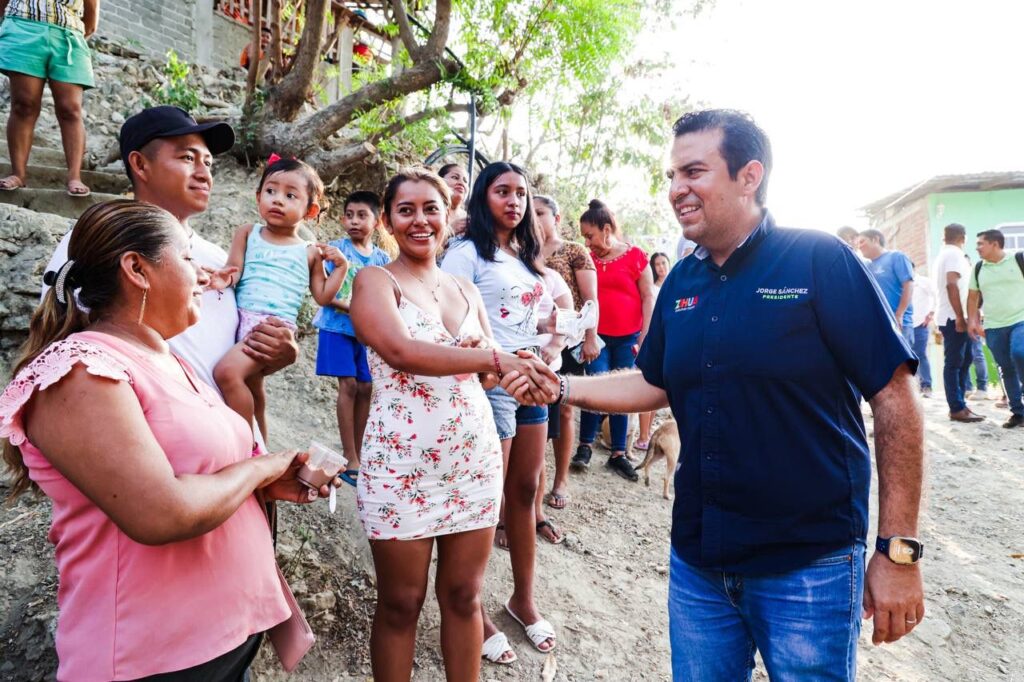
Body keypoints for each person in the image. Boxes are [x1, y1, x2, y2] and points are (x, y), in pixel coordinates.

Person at [506, 109, 925, 680]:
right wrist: (561, 387)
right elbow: (654, 382)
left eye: (694, 172)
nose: (677, 189)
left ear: (749, 176)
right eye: (673, 175)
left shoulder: (818, 259)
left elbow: (895, 396)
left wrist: (898, 550)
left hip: (810, 564)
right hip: (699, 563)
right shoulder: (683, 280)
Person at [0, 200, 339, 681]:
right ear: (137, 269)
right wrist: (264, 467)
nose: (204, 274)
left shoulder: (168, 361)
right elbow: (162, 512)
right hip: (154, 659)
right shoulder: (77, 372)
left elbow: (202, 469)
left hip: (228, 639)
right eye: (186, 258)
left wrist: (267, 486)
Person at [349, 167, 551, 678]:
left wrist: (525, 370)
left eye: (431, 208)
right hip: (402, 466)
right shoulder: (375, 280)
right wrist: (489, 359)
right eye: (406, 210)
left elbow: (485, 376)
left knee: (464, 597)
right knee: (401, 602)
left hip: (473, 461)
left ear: (449, 215)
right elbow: (399, 351)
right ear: (388, 222)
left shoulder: (466, 288)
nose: (420, 220)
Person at [41, 106, 300, 446]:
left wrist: (275, 352)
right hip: (164, 459)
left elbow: (231, 362)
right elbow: (69, 350)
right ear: (140, 164)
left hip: (237, 454)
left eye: (208, 162)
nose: (204, 173)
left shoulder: (219, 260)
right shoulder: (96, 241)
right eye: (187, 158)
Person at [440, 161, 557, 660]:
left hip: (531, 381)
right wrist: (489, 365)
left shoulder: (526, 257)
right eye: (501, 191)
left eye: (521, 193)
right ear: (482, 198)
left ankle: (523, 600)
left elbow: (528, 316)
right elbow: (446, 319)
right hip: (488, 385)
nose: (513, 201)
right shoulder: (467, 254)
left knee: (527, 493)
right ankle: (477, 610)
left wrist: (555, 336)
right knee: (486, 501)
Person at [210, 157, 346, 438]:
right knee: (253, 387)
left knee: (227, 374)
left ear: (310, 210)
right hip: (241, 320)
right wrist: (224, 278)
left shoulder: (309, 252)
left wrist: (341, 269)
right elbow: (234, 269)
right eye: (270, 192)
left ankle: (246, 444)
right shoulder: (247, 233)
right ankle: (262, 444)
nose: (278, 200)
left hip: (272, 328)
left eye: (290, 195)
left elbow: (322, 296)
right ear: (258, 196)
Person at [571, 199, 655, 481]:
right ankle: (584, 446)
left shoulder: (636, 256)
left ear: (606, 229)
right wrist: (585, 335)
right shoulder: (587, 259)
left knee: (624, 393)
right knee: (595, 385)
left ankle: (619, 453)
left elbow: (648, 296)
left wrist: (645, 336)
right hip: (597, 338)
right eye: (584, 237)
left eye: (590, 235)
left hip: (629, 337)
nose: (587, 241)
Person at [313, 190, 391, 486]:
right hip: (337, 328)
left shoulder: (383, 259)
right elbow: (327, 295)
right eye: (349, 215)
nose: (354, 221)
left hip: (366, 333)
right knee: (347, 385)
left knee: (366, 386)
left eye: (362, 215)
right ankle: (350, 457)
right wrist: (358, 308)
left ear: (377, 221)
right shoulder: (335, 249)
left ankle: (359, 452)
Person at [534, 193, 599, 512]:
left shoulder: (574, 251)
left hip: (569, 342)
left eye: (541, 212)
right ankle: (535, 478)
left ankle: (560, 480)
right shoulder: (521, 249)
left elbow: (589, 300)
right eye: (530, 212)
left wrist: (591, 337)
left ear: (556, 218)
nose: (535, 217)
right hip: (535, 339)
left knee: (565, 408)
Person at [0, 0, 98, 195]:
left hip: (69, 35)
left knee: (70, 108)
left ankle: (74, 177)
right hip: (22, 26)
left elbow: (91, 13)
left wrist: (73, 29)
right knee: (23, 105)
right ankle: (18, 173)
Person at [968, 229, 1024, 428]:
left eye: (981, 244)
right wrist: (972, 321)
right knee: (1005, 368)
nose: (977, 248)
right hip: (993, 325)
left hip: (1020, 320)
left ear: (995, 244)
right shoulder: (978, 268)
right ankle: (1018, 413)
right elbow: (973, 296)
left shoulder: (1018, 259)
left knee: (1020, 353)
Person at [934, 222, 984, 422]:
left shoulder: (945, 254)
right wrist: (959, 317)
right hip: (954, 317)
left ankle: (960, 404)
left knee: (965, 359)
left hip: (958, 316)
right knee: (954, 363)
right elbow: (951, 285)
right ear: (963, 237)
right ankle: (956, 407)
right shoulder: (953, 254)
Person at [637, 251, 671, 450]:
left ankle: (648, 433)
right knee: (648, 382)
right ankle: (642, 435)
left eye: (664, 263)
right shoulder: (652, 290)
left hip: (670, 339)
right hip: (654, 338)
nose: (661, 267)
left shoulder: (676, 284)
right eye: (657, 264)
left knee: (660, 388)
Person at [857, 229, 914, 344]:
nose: (860, 246)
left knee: (903, 361)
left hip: (899, 323)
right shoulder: (866, 265)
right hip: (877, 324)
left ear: (875, 239)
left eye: (862, 242)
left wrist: (899, 314)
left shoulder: (896, 257)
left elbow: (908, 285)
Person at [910, 265, 936, 397]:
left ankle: (926, 385)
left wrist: (931, 313)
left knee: (921, 354)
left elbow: (936, 295)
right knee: (908, 356)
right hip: (906, 325)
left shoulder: (923, 282)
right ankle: (914, 388)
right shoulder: (903, 283)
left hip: (921, 324)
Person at [439, 163, 469, 237]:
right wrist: (450, 231)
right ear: (440, 181)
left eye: (465, 181)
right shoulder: (430, 212)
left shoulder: (470, 219)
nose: (461, 183)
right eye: (455, 177)